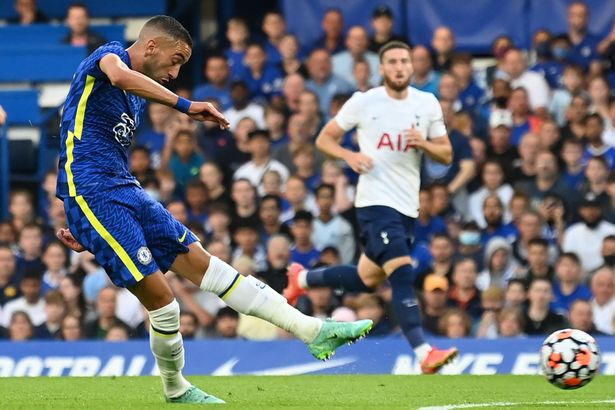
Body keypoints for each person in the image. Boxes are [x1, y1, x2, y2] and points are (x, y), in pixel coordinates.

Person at [54, 16, 372, 404]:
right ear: (151, 46)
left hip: (124, 190)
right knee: (165, 304)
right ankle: (176, 389)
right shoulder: (108, 56)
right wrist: (186, 106)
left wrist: (90, 229)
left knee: (210, 266)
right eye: (175, 60)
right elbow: (117, 78)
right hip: (93, 191)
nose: (175, 73)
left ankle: (312, 330)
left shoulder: (136, 98)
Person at [285, 41, 458, 373]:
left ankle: (302, 278)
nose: (399, 67)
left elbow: (447, 153)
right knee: (402, 272)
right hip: (374, 202)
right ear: (381, 68)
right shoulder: (364, 102)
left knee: (367, 278)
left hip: (407, 206)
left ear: (412, 66)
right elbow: (324, 139)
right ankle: (423, 352)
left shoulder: (426, 103)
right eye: (392, 61)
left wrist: (423, 143)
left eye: (404, 61)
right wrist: (349, 156)